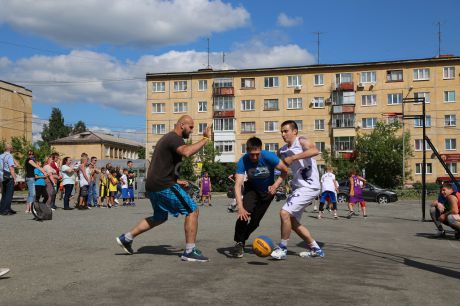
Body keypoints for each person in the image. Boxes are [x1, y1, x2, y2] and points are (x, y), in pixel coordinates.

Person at [116, 115, 212, 262]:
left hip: (154, 185)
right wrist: (205, 139)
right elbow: (186, 152)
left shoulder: (168, 139)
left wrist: (177, 180)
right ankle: (190, 251)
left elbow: (161, 166)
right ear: (181, 125)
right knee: (192, 210)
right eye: (191, 127)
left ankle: (127, 238)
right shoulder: (174, 138)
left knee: (160, 217)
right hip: (163, 184)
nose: (192, 131)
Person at [270, 121, 325, 260]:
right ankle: (315, 249)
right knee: (293, 222)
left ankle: (282, 248)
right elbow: (283, 171)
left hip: (310, 186)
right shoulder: (282, 150)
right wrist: (275, 185)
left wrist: (293, 157)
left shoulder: (302, 141)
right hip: (298, 187)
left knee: (284, 213)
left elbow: (315, 151)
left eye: (286, 131)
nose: (283, 134)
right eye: (281, 132)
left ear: (294, 131)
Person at [229, 136, 288, 258]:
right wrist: (240, 207)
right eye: (252, 154)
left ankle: (243, 239)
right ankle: (239, 243)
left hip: (267, 192)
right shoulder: (243, 161)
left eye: (257, 154)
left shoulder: (269, 157)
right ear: (247, 150)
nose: (254, 157)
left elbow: (285, 171)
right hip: (252, 189)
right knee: (244, 215)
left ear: (261, 150)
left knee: (255, 222)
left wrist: (275, 185)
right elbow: (238, 185)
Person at [0, 144, 17, 215]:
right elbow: (11, 168)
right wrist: (15, 178)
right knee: (9, 194)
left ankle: (2, 209)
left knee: (4, 193)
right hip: (9, 176)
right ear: (10, 149)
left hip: (2, 176)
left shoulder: (0, 156)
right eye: (12, 148)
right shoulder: (9, 156)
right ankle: (6, 210)